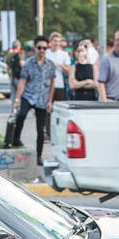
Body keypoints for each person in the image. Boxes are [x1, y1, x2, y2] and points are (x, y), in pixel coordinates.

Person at [9, 35, 56, 164]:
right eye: (39, 47)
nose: (42, 50)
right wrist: (17, 100)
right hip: (28, 96)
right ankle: (16, 139)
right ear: (35, 48)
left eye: (44, 48)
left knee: (40, 129)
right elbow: (22, 82)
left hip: (42, 99)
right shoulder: (29, 63)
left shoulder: (50, 65)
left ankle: (39, 155)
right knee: (21, 115)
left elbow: (52, 83)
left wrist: (50, 101)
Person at [46, 31, 72, 107]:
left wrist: (61, 66)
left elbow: (68, 72)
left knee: (58, 108)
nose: (57, 43)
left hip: (59, 85)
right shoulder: (46, 53)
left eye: (59, 41)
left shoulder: (64, 54)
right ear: (51, 41)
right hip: (46, 85)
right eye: (55, 41)